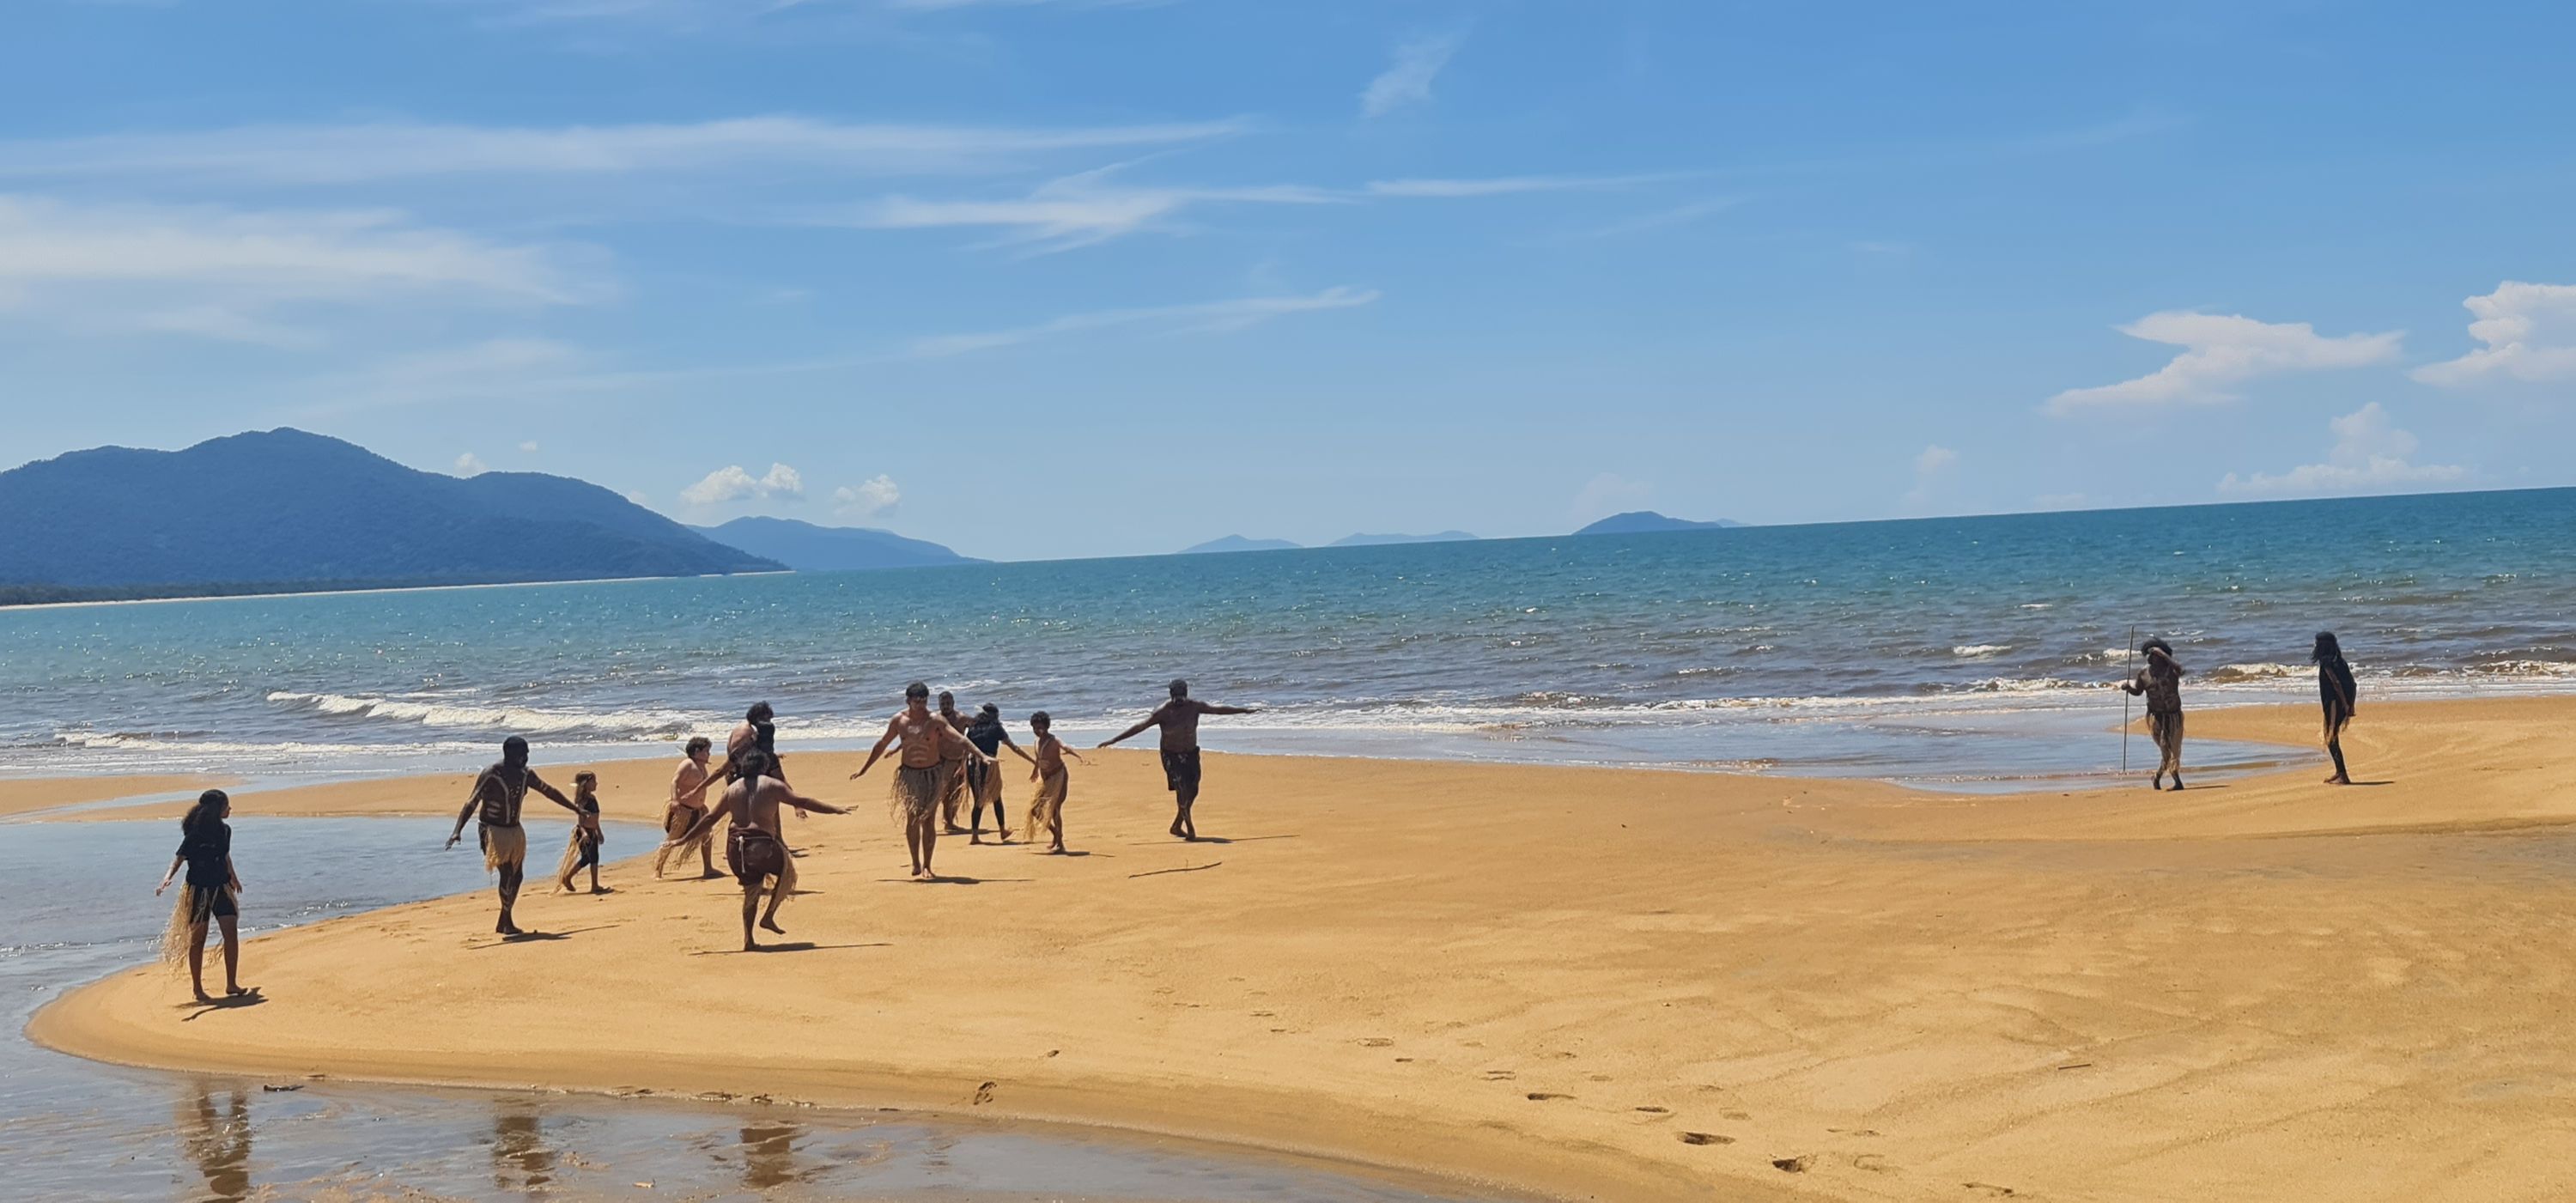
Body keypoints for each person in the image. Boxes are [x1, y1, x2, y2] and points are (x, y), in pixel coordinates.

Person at [668, 748, 848, 951]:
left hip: (735, 849)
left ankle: (749, 940)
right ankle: (769, 916)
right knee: (787, 872)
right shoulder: (772, 785)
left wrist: (683, 840)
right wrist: (834, 809)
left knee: (751, 891)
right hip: (761, 844)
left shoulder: (732, 789)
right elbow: (802, 801)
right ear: (764, 766)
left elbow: (711, 818)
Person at [854, 683, 996, 880]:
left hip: (932, 774)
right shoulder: (899, 721)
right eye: (916, 701)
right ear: (908, 701)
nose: (921, 705)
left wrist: (981, 755)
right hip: (909, 775)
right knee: (912, 818)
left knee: (928, 820)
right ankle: (915, 862)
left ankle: (928, 865)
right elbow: (882, 744)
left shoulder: (935, 721)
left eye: (924, 701)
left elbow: (960, 739)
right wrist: (864, 768)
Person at [446, 736, 580, 935]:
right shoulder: (492, 774)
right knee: (507, 873)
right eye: (522, 754)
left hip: (514, 830)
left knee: (517, 876)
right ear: (509, 754)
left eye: (527, 754)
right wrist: (457, 830)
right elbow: (472, 802)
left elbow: (549, 791)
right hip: (492, 831)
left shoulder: (526, 774)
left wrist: (575, 809)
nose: (526, 758)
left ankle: (504, 921)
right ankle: (506, 922)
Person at [1099, 678, 1258, 841]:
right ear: (1171, 695)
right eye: (1176, 697)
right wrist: (1114, 740)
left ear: (1186, 694)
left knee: (1193, 790)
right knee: (1181, 789)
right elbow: (1140, 727)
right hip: (1171, 755)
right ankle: (1190, 828)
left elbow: (1217, 710)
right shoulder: (1163, 711)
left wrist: (1243, 710)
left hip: (1190, 753)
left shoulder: (1195, 706)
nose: (1179, 700)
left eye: (1182, 696)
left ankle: (1176, 825)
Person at [156, 788, 246, 1003]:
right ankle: (197, 988)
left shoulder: (225, 831)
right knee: (198, 940)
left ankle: (231, 984)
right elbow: (179, 858)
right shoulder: (195, 834)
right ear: (217, 809)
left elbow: (225, 856)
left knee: (231, 933)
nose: (230, 809)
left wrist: (234, 878)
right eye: (227, 805)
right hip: (197, 890)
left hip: (221, 888)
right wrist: (167, 878)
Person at [2118, 639, 2188, 791]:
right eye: (2149, 654)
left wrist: (2164, 655)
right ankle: (2160, 777)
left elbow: (2182, 670)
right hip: (2156, 717)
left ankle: (2171, 779)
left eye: (2154, 654)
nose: (2150, 657)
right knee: (2165, 749)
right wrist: (2128, 688)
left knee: (2173, 749)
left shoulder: (2171, 670)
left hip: (2173, 716)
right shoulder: (2143, 673)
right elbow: (2138, 691)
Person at [1022, 711, 1086, 854]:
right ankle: (1056, 833)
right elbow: (1039, 759)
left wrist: (1078, 756)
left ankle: (1060, 844)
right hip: (1045, 779)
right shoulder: (1036, 742)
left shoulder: (1054, 740)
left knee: (1055, 809)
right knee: (1035, 810)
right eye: (1034, 728)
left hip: (1059, 776)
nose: (1037, 731)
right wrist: (1035, 771)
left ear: (1047, 727)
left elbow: (1065, 746)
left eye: (1040, 728)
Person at [656, 737, 721, 878]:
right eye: (706, 751)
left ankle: (708, 868)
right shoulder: (687, 764)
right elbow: (675, 781)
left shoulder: (702, 766)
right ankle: (658, 870)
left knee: (707, 836)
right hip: (683, 810)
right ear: (697, 751)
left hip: (700, 810)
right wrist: (674, 800)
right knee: (673, 838)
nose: (709, 754)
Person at [964, 702, 1024, 844]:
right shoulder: (996, 727)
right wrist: (1032, 760)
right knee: (996, 797)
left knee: (978, 800)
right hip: (988, 765)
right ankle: (1002, 831)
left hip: (971, 764)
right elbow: (1013, 746)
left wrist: (962, 767)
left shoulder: (973, 727)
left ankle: (975, 836)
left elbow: (966, 748)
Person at [2316, 631, 2360, 785]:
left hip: (2334, 704)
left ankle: (2342, 774)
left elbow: (2336, 683)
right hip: (2342, 703)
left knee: (2331, 738)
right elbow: (2353, 684)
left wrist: (2346, 704)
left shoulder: (2326, 662)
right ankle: (2339, 772)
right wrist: (2350, 704)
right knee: (2331, 737)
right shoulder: (2340, 661)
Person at [554, 770, 607, 894]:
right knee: (587, 858)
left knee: (594, 858)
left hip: (592, 832)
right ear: (585, 784)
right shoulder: (582, 801)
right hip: (584, 833)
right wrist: (584, 833)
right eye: (593, 781)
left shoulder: (592, 798)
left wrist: (599, 832)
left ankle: (594, 885)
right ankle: (567, 877)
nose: (596, 784)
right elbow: (581, 822)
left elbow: (595, 819)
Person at [935, 690, 972, 834]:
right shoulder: (935, 719)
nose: (946, 706)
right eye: (943, 704)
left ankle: (949, 822)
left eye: (948, 703)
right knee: (940, 793)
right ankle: (925, 820)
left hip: (959, 760)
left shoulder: (961, 718)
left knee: (956, 793)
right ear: (939, 704)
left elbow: (978, 726)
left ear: (953, 703)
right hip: (941, 761)